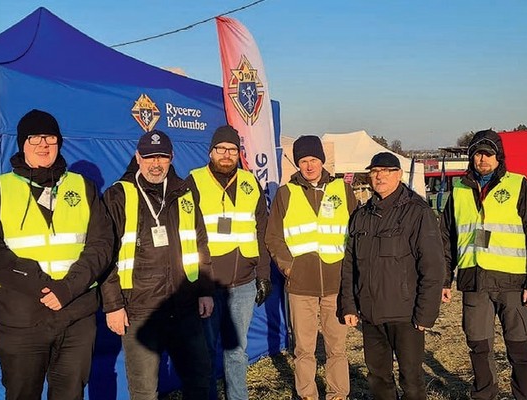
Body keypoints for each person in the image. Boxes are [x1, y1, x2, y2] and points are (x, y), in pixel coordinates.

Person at [0, 109, 113, 400]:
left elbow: (102, 244)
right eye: (34, 138)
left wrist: (67, 288)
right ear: (22, 144)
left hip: (76, 312)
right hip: (20, 314)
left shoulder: (83, 187)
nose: (43, 145)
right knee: (22, 393)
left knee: (70, 393)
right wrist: (42, 286)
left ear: (59, 142)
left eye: (49, 137)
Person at [100, 130, 213, 400]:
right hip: (140, 309)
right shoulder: (118, 195)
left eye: (162, 156)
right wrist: (113, 305)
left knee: (199, 379)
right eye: (149, 156)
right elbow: (105, 255)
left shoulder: (184, 192)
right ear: (137, 157)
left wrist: (205, 290)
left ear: (171, 157)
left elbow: (199, 242)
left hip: (184, 305)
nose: (156, 163)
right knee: (144, 392)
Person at [441, 129, 527, 400]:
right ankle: (484, 395)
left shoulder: (518, 185)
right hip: (474, 282)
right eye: (478, 153)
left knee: (519, 349)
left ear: (499, 157)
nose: (483, 159)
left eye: (489, 153)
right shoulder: (458, 190)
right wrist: (445, 280)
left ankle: (524, 396)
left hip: (513, 284)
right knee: (479, 348)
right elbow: (446, 238)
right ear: (471, 157)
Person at [339, 152, 445, 400]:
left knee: (411, 378)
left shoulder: (417, 213)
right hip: (371, 314)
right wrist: (349, 305)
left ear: (398, 175)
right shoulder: (361, 215)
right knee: (377, 377)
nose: (380, 176)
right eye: (375, 171)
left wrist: (426, 314)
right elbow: (350, 265)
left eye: (386, 171)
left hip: (406, 315)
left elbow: (433, 266)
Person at [265, 135, 356, 400]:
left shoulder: (342, 190)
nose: (309, 166)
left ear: (322, 161)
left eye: (313, 160)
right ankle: (307, 395)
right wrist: (289, 267)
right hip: (300, 286)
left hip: (335, 283)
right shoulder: (286, 193)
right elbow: (273, 237)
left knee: (336, 347)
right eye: (303, 161)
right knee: (304, 349)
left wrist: (350, 270)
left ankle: (338, 394)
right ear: (298, 164)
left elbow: (357, 231)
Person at [185, 125, 272, 400]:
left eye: (232, 150)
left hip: (244, 283)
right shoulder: (193, 182)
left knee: (237, 351)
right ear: (210, 152)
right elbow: (186, 235)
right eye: (221, 149)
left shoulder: (250, 182)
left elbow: (262, 229)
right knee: (207, 349)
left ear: (238, 153)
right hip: (209, 285)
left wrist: (264, 274)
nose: (226, 154)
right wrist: (197, 285)